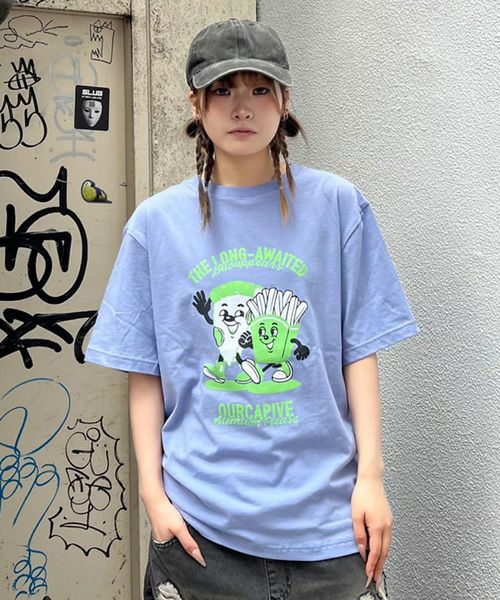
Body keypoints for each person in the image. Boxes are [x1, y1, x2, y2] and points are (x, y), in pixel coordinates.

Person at [84, 17, 420, 600]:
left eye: (260, 89)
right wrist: (154, 499)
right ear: (196, 104)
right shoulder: (156, 226)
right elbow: (144, 371)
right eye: (222, 90)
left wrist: (371, 478)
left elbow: (358, 353)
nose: (242, 108)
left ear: (284, 100)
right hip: (201, 539)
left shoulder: (338, 207)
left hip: (330, 533)